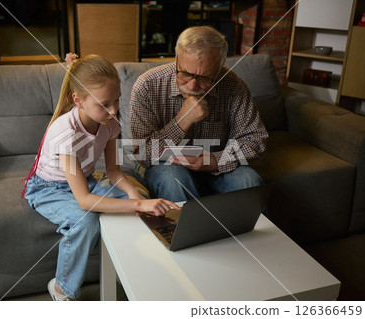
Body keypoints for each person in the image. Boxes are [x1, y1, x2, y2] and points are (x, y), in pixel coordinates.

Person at [23, 54, 179, 301]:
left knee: (143, 197)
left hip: (86, 179)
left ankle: (130, 269)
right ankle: (62, 288)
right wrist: (137, 204)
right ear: (79, 101)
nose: (114, 110)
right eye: (105, 104)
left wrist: (134, 195)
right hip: (48, 188)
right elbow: (84, 201)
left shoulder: (109, 123)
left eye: (116, 100)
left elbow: (114, 172)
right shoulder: (65, 132)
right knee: (84, 221)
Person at [130, 26, 268, 202]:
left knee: (249, 181)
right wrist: (182, 120)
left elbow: (256, 140)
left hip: (216, 164)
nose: (192, 86)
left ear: (219, 69)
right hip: (164, 165)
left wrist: (216, 161)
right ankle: (192, 230)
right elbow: (143, 154)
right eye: (185, 74)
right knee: (174, 180)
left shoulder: (233, 85)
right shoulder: (147, 86)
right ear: (177, 58)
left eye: (204, 78)